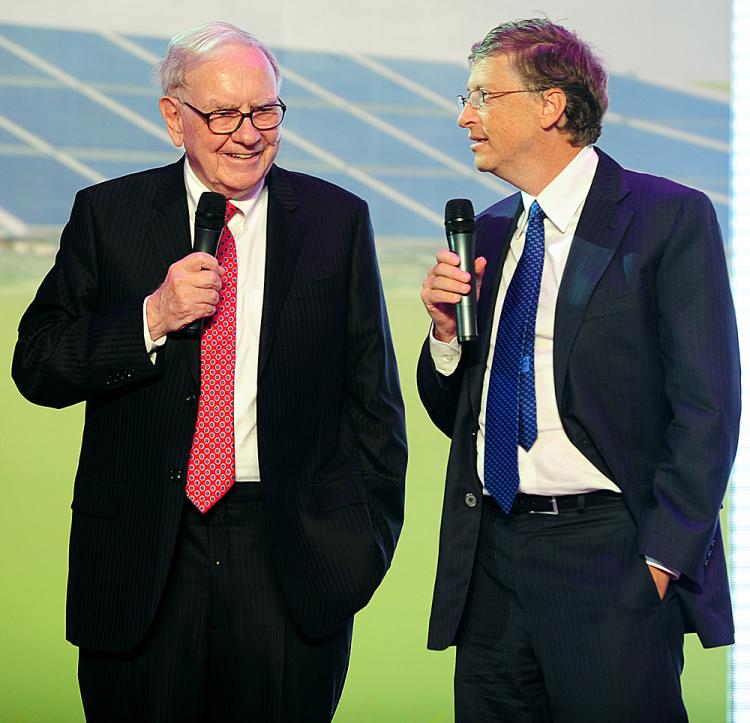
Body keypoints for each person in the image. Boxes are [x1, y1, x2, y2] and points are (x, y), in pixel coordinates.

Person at [12, 21, 406, 723]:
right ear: (174, 118)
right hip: (141, 557)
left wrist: (357, 550)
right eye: (224, 114)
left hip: (287, 559)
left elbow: (375, 402)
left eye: (265, 111)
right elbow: (37, 363)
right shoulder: (108, 214)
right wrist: (151, 317)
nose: (248, 134)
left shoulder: (337, 221)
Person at [418, 18, 739, 722]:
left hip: (608, 559)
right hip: (490, 557)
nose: (464, 116)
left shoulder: (665, 217)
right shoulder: (491, 230)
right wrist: (444, 335)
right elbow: (463, 415)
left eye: (481, 96)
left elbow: (708, 408)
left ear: (550, 105)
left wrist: (659, 561)